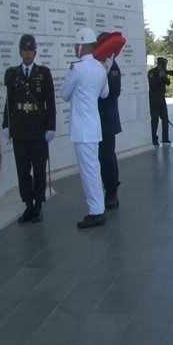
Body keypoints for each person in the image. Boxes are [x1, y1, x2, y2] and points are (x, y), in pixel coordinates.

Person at [2, 34, 56, 224]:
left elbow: (50, 102)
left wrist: (51, 127)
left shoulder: (44, 73)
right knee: (22, 169)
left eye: (30, 50)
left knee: (39, 168)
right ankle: (28, 204)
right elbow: (9, 101)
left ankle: (38, 205)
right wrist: (6, 123)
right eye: (24, 50)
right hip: (19, 129)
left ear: (35, 52)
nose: (27, 54)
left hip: (38, 128)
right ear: (20, 52)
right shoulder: (13, 74)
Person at [60, 27, 110, 229]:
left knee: (89, 171)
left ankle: (96, 212)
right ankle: (98, 208)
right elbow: (104, 94)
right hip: (93, 128)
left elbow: (63, 94)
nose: (74, 49)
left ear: (81, 46)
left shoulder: (78, 69)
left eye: (75, 46)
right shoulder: (100, 68)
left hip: (82, 129)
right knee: (93, 169)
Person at [97, 33, 122, 210]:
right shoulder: (94, 65)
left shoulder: (112, 66)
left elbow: (114, 91)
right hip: (93, 120)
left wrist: (105, 73)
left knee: (108, 158)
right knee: (96, 159)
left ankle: (112, 192)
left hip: (107, 121)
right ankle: (100, 192)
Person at [148, 57, 171, 145]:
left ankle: (165, 138)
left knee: (165, 119)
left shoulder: (163, 72)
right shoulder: (152, 72)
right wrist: (159, 76)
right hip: (154, 99)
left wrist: (164, 76)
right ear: (160, 64)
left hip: (162, 99)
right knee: (154, 120)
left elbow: (168, 83)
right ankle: (154, 139)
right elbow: (152, 84)